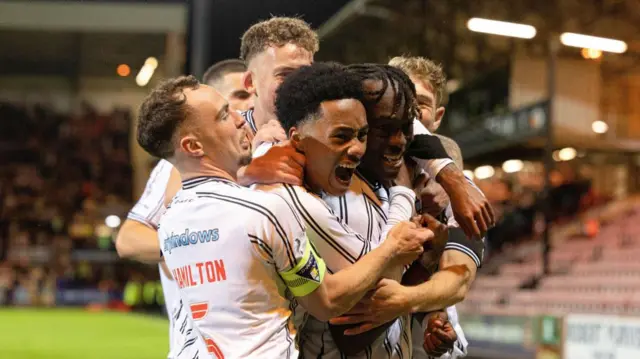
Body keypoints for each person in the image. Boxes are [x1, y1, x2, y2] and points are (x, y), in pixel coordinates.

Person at [136, 75, 434, 359]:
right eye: (225, 115)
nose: (241, 118)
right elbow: (328, 301)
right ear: (193, 146)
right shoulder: (265, 209)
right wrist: (391, 247)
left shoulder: (170, 221)